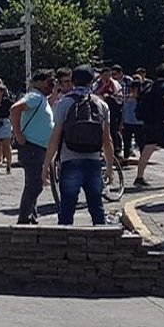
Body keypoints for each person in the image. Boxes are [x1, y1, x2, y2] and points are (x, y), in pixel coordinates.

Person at [42, 65, 115, 226]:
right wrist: (109, 167)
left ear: (73, 82)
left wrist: (47, 164)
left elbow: (55, 137)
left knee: (66, 210)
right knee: (97, 209)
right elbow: (107, 140)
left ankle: (65, 247)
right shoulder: (101, 105)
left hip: (70, 161)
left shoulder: (65, 103)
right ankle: (102, 244)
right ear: (91, 82)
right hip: (94, 161)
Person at [10, 69, 56, 225]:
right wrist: (17, 133)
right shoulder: (35, 96)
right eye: (50, 82)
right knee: (34, 185)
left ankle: (31, 216)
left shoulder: (41, 98)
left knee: (35, 184)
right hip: (31, 148)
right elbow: (15, 109)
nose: (52, 85)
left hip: (38, 148)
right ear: (40, 83)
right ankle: (24, 219)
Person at [134, 63, 164, 187]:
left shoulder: (151, 86)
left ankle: (139, 177)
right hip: (163, 123)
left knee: (147, 149)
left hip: (149, 122)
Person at [94, 66, 125, 159]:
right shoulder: (97, 83)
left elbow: (119, 95)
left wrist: (111, 95)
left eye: (108, 75)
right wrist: (103, 86)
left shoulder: (114, 83)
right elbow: (94, 93)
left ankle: (117, 149)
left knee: (113, 129)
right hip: (99, 108)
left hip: (113, 109)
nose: (106, 77)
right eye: (104, 75)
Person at [122, 76, 144, 160]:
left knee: (141, 142)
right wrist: (122, 122)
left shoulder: (142, 99)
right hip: (127, 122)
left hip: (139, 123)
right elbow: (123, 109)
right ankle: (126, 157)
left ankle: (143, 158)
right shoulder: (127, 98)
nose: (132, 90)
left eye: (134, 88)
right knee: (126, 142)